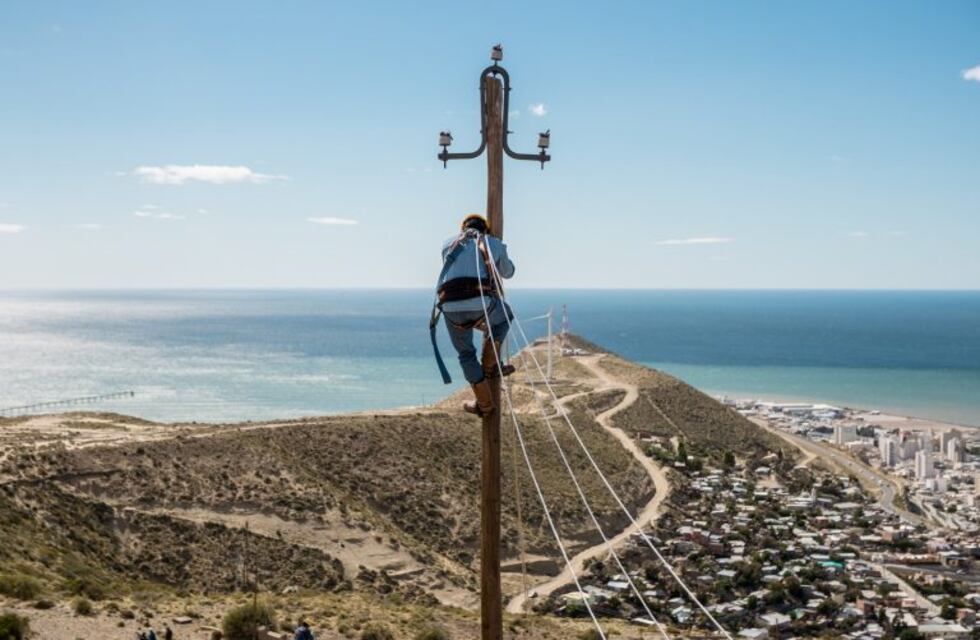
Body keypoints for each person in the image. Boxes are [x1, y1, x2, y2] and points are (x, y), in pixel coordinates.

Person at [430, 214, 516, 416]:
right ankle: (490, 365)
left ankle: (484, 405)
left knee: (466, 354)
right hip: (481, 305)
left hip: (450, 309)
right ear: (485, 229)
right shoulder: (493, 243)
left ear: (462, 229)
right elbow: (508, 272)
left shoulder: (447, 244)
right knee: (504, 315)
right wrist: (500, 249)